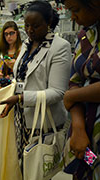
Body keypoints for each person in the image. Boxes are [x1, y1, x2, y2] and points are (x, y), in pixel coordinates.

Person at [0, 0, 72, 172]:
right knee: (22, 166)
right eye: (26, 25)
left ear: (48, 23)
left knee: (38, 168)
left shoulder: (60, 47)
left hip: (43, 122)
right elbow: (22, 77)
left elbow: (58, 92)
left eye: (36, 26)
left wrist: (21, 98)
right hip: (21, 119)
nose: (30, 31)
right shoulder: (26, 45)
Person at [60, 0, 100, 179]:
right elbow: (74, 79)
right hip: (85, 134)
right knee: (89, 168)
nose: (73, 17)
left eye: (75, 10)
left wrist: (72, 96)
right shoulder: (85, 35)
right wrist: (77, 126)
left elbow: (72, 93)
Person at [0, 21, 22, 91]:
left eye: (11, 33)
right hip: (2, 88)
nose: (9, 36)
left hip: (16, 88)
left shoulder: (22, 51)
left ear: (17, 33)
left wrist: (16, 65)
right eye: (6, 34)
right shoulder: (2, 51)